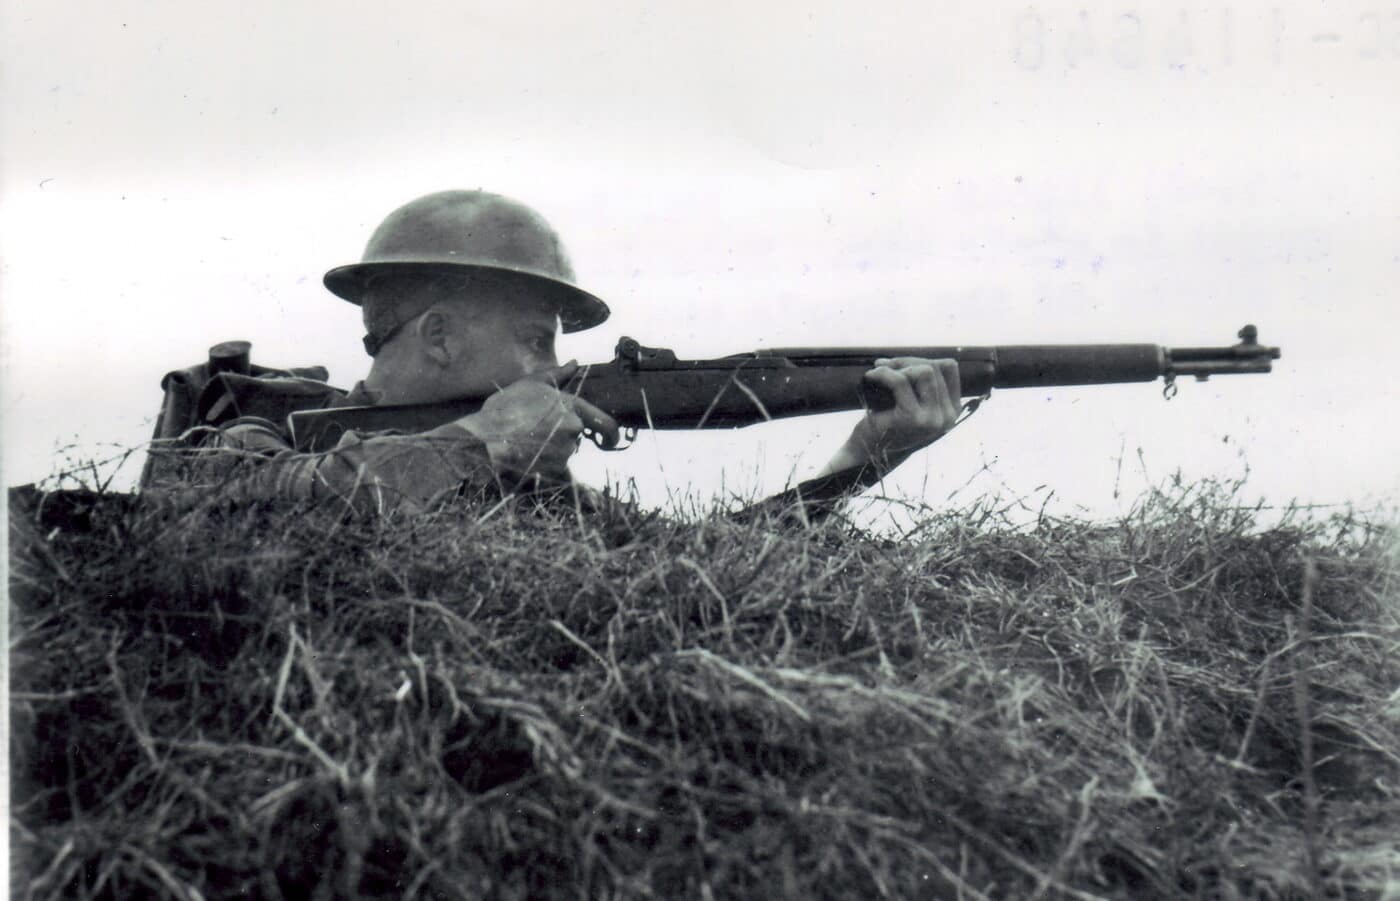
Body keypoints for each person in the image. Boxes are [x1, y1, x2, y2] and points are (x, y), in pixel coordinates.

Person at [144, 190, 963, 517]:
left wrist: (865, 456)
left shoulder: (538, 494)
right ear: (437, 336)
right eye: (537, 341)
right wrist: (479, 442)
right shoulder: (261, 429)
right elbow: (224, 518)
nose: (553, 371)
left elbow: (718, 582)